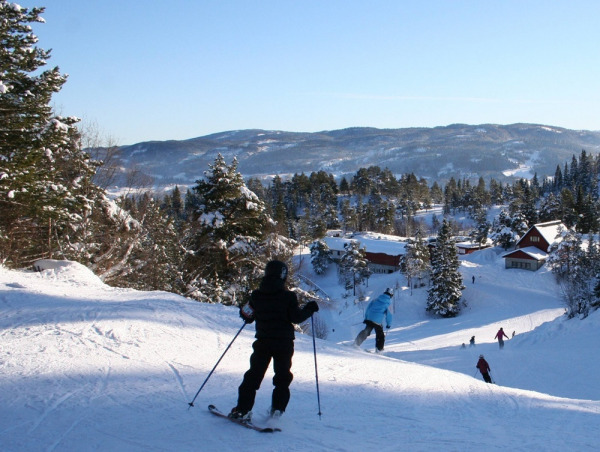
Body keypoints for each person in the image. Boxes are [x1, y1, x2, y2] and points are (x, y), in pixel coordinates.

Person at [228, 260, 319, 422]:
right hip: (284, 343)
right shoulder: (288, 296)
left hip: (263, 341)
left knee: (253, 375)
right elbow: (296, 317)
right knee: (282, 376)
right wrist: (309, 309)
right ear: (283, 275)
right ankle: (277, 409)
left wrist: (247, 309)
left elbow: (247, 316)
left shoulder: (257, 295)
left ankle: (243, 410)